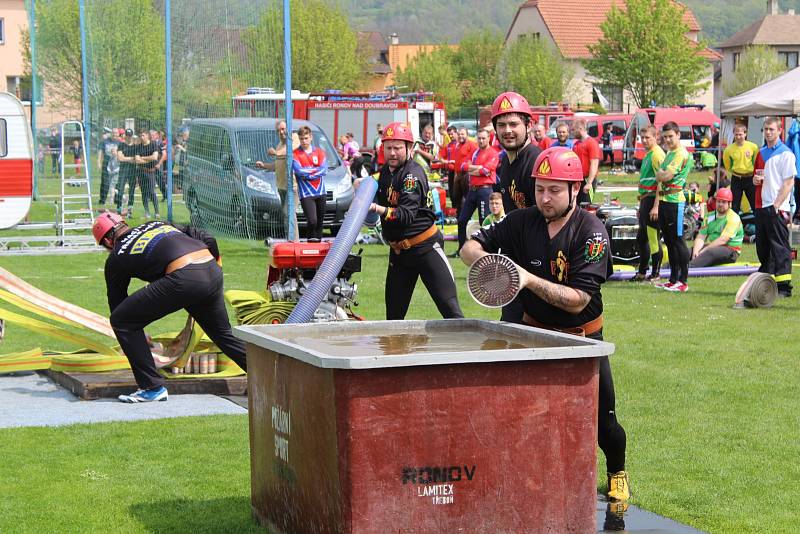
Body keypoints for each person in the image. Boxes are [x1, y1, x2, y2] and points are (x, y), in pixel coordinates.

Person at [460, 146, 630, 504]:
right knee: (526, 417)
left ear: (576, 190)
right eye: (540, 188)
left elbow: (578, 300)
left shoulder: (592, 231)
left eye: (554, 189)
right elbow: (469, 247)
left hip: (583, 340)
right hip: (533, 334)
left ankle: (617, 472)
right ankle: (531, 482)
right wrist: (492, 263)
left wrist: (525, 279)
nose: (545, 197)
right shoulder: (523, 219)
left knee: (604, 422)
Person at [91, 212, 247, 403]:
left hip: (184, 278)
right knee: (223, 335)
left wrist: (135, 333)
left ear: (107, 241)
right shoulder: (157, 224)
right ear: (124, 223)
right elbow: (207, 237)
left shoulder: (117, 255)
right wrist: (216, 265)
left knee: (121, 320)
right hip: (210, 269)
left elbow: (118, 307)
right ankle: (273, 377)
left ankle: (151, 387)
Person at [364, 121, 463, 320]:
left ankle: (466, 350)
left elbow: (405, 215)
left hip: (425, 248)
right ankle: (395, 352)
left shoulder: (412, 175)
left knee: (451, 311)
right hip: (399, 253)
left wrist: (376, 209)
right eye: (388, 147)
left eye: (398, 148)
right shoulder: (386, 171)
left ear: (409, 148)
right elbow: (377, 181)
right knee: (393, 317)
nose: (392, 153)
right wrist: (363, 184)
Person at [490, 91, 542, 321]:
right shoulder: (505, 162)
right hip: (516, 261)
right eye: (502, 125)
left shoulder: (537, 162)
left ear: (528, 125)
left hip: (538, 266)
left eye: (514, 123)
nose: (508, 130)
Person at [753, 117, 796, 298]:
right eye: (766, 129)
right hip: (761, 205)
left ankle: (784, 286)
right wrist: (755, 180)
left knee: (780, 247)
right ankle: (767, 281)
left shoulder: (786, 153)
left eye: (771, 129)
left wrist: (777, 205)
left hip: (777, 207)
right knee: (762, 247)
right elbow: (757, 177)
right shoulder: (761, 152)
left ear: (780, 131)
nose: (768, 133)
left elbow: (788, 183)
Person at [655, 121, 692, 293]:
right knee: (669, 241)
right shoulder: (670, 153)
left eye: (671, 136)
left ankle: (683, 280)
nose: (668, 140)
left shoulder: (680, 154)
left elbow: (665, 175)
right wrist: (661, 175)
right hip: (664, 201)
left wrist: (662, 175)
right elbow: (660, 175)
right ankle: (673, 279)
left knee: (678, 240)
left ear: (678, 135)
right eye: (665, 137)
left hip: (675, 201)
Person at [631, 125, 665, 282]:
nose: (644, 141)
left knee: (653, 238)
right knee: (641, 238)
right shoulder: (647, 155)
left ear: (656, 137)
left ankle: (656, 273)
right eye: (642, 138)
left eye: (648, 138)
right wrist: (641, 205)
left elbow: (661, 183)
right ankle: (642, 272)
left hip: (653, 200)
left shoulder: (657, 155)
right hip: (645, 200)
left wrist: (656, 205)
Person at [457, 128, 499, 252]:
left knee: (484, 222)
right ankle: (461, 249)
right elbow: (463, 166)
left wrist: (474, 169)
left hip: (485, 191)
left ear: (488, 139)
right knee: (462, 220)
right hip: (472, 190)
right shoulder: (475, 152)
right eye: (479, 138)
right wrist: (478, 168)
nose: (481, 140)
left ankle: (485, 250)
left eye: (483, 138)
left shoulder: (493, 153)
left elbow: (486, 171)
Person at [256, 120, 300, 239]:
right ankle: (290, 240)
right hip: (282, 187)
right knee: (286, 215)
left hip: (293, 186)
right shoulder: (280, 145)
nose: (281, 132)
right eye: (278, 131)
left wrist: (275, 153)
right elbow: (277, 166)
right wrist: (264, 165)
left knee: (289, 213)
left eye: (283, 129)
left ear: (289, 128)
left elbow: (289, 152)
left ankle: (294, 242)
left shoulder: (295, 138)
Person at [689, 188, 743, 267]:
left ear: (730, 204)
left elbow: (723, 240)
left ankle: (687, 270)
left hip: (731, 250)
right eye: (719, 201)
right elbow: (701, 236)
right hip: (712, 247)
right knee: (687, 252)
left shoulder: (734, 218)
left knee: (709, 253)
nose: (720, 204)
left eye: (724, 202)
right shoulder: (709, 216)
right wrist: (696, 251)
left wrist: (703, 251)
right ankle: (666, 268)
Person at [292, 126, 328, 241]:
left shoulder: (319, 152)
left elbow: (324, 169)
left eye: (306, 138)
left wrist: (308, 172)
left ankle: (318, 249)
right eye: (301, 138)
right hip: (306, 193)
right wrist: (314, 170)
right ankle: (310, 245)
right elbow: (298, 171)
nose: (304, 141)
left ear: (311, 137)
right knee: (312, 221)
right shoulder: (295, 154)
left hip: (320, 191)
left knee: (320, 223)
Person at [722, 124, 758, 215]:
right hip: (736, 178)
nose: (738, 137)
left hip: (750, 178)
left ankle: (758, 227)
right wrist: (735, 171)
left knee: (754, 204)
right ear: (733, 134)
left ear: (745, 134)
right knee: (735, 205)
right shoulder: (729, 149)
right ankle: (735, 227)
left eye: (740, 134)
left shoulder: (753, 147)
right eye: (736, 134)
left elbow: (756, 162)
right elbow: (727, 164)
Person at [571, 118, 602, 205]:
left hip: (587, 179)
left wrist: (589, 183)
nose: (572, 132)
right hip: (578, 179)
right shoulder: (576, 144)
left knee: (586, 205)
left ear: (580, 129)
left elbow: (594, 163)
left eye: (574, 130)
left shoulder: (591, 143)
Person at [134, 130, 161, 219]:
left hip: (150, 172)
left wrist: (143, 158)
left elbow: (155, 157)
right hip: (141, 171)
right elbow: (137, 160)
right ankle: (147, 212)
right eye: (140, 136)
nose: (141, 137)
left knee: (152, 192)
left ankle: (157, 212)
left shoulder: (153, 144)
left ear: (148, 136)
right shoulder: (138, 147)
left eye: (143, 135)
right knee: (144, 193)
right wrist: (147, 159)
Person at [452, 127, 478, 218]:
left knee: (466, 198)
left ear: (467, 135)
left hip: (467, 174)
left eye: (462, 134)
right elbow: (457, 160)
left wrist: (472, 170)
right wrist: (456, 174)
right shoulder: (458, 145)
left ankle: (467, 218)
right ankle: (459, 217)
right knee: (456, 197)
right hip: (458, 174)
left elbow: (477, 157)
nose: (460, 136)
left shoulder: (472, 144)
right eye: (459, 134)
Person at [115, 129, 139, 217]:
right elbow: (120, 158)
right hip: (123, 170)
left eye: (130, 135)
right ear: (125, 135)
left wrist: (126, 158)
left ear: (132, 136)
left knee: (131, 190)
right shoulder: (121, 145)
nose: (129, 137)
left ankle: (129, 209)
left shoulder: (135, 147)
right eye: (127, 135)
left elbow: (136, 159)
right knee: (120, 189)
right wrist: (131, 159)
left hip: (132, 171)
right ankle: (119, 208)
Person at [98, 131, 119, 205]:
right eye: (113, 133)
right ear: (111, 134)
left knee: (116, 182)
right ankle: (102, 200)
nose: (115, 134)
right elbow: (100, 152)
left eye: (116, 133)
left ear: (118, 134)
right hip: (106, 162)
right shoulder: (104, 141)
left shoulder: (120, 143)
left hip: (116, 163)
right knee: (105, 182)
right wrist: (99, 162)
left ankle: (116, 199)